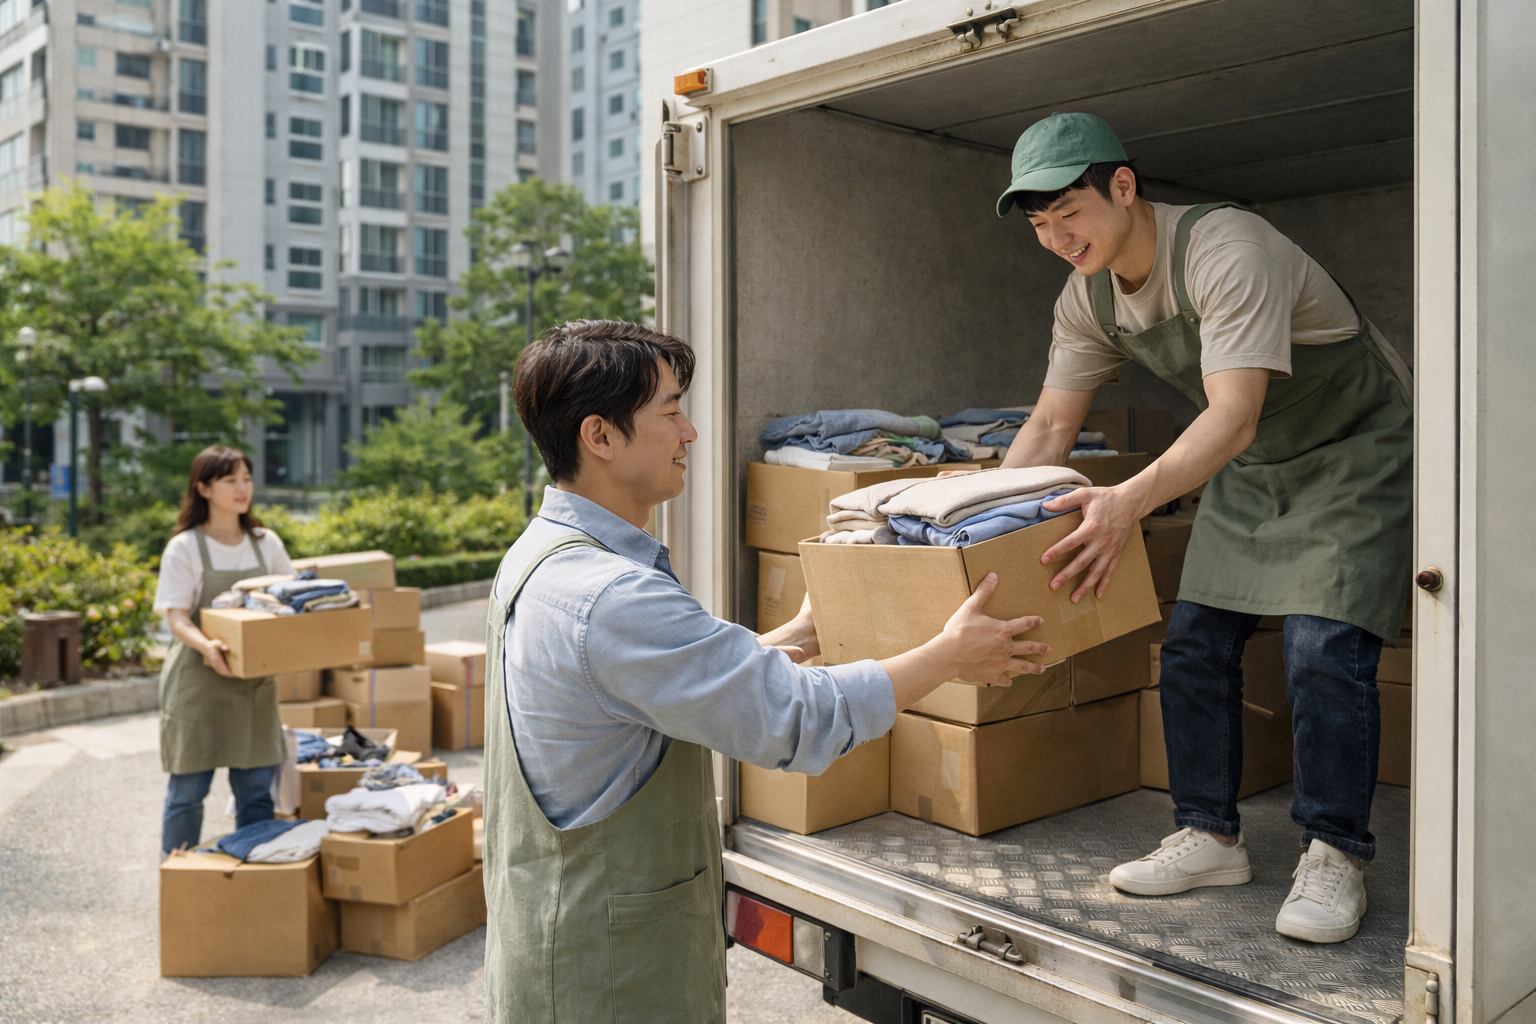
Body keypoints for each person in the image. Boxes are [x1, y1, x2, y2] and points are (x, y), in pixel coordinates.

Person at [483, 319, 1049, 1023]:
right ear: (599, 436)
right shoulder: (612, 597)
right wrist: (949, 656)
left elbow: (651, 685)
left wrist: (801, 634)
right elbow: (799, 721)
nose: (690, 433)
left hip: (567, 950)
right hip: (611, 986)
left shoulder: (543, 557)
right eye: (670, 411)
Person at [994, 113, 1412, 943]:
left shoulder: (1227, 249)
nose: (1057, 239)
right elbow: (1049, 426)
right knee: (1193, 642)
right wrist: (977, 525)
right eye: (1040, 224)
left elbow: (1234, 413)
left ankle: (1335, 852)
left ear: (1123, 186)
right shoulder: (1088, 296)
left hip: (1353, 451)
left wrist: (1126, 502)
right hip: (1254, 465)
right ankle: (1210, 837)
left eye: (1069, 213)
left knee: (1322, 646)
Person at [152, 445, 292, 856]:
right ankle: (178, 877)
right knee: (187, 794)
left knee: (256, 794)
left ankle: (251, 876)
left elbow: (291, 601)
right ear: (204, 488)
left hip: (252, 685)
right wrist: (209, 646)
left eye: (246, 478)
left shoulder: (265, 543)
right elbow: (178, 618)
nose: (242, 488)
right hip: (197, 684)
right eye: (230, 480)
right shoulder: (185, 547)